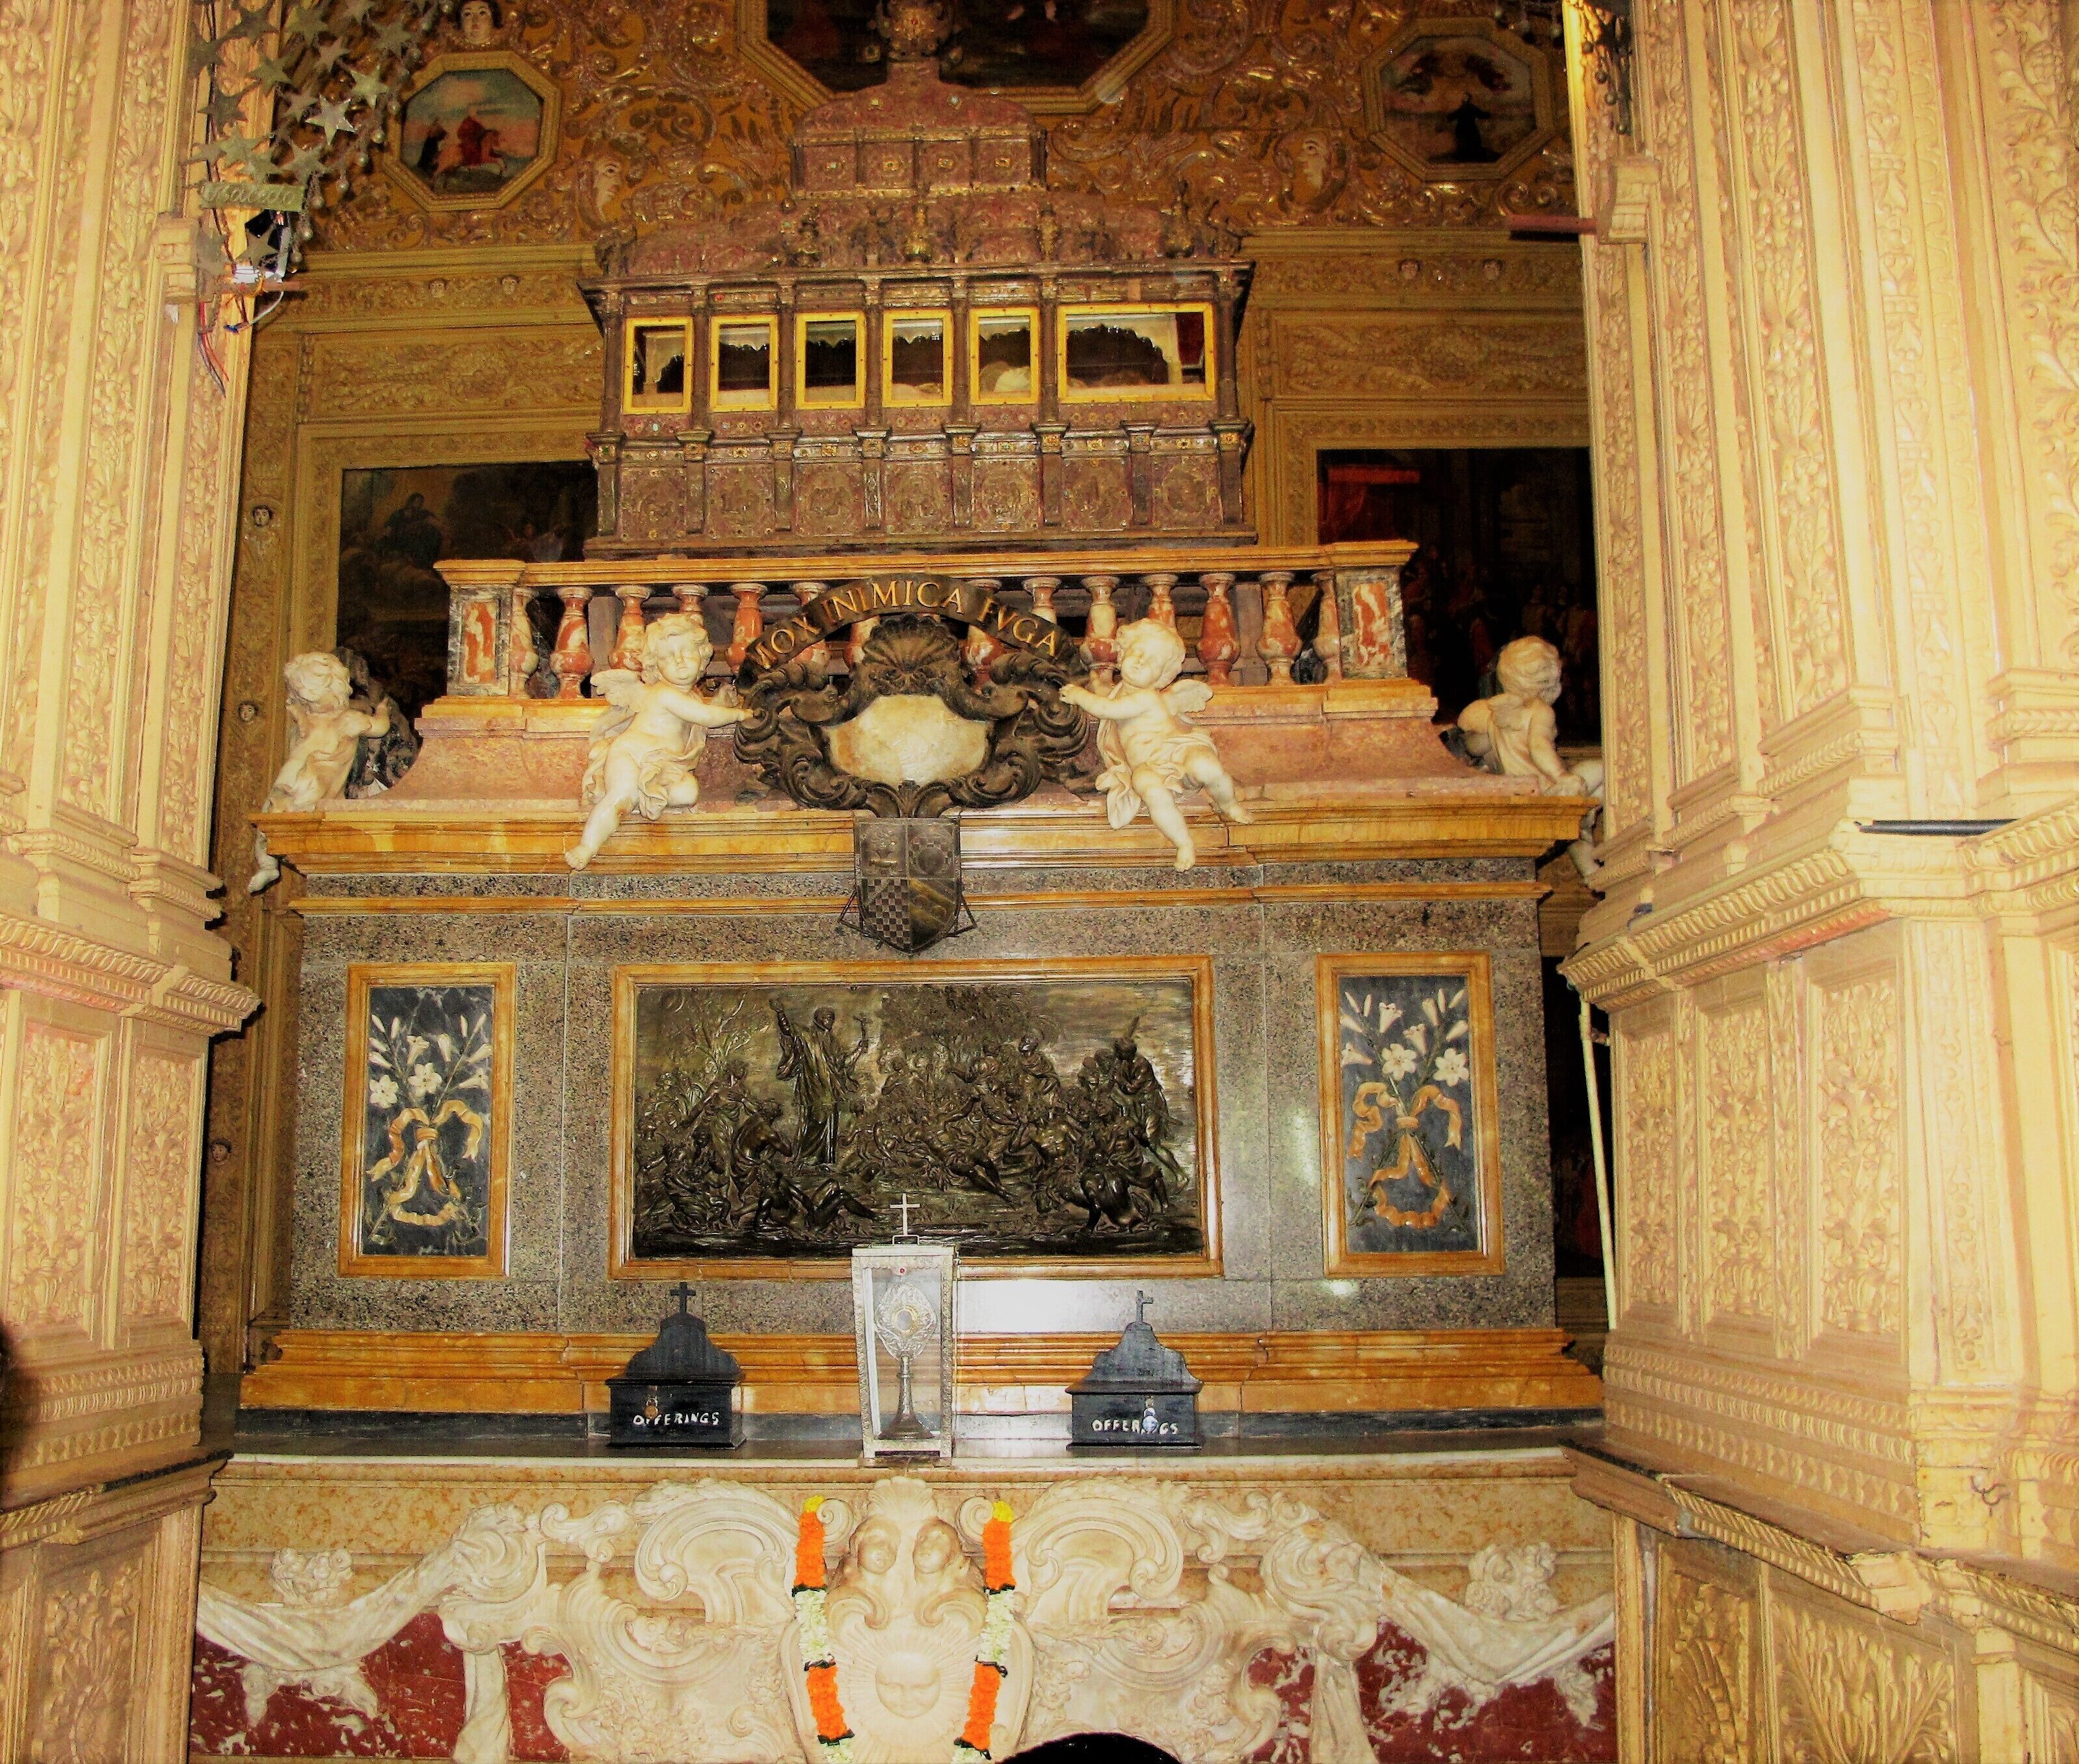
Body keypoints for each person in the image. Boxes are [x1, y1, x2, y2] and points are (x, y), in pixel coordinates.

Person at [1062, 620, 1253, 871]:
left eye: (1152, 662)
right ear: (1122, 654)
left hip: (1177, 749)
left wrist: (1080, 695)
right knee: (1150, 789)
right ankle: (1183, 842)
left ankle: (1229, 804)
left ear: (1161, 676)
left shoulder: (1147, 696)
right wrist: (1095, 684)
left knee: (1208, 768)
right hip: (1148, 765)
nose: (1141, 661)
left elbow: (1107, 709)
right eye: (1137, 652)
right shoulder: (1120, 691)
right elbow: (1106, 694)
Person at [564, 614, 747, 869]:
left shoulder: (691, 698)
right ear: (656, 667)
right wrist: (738, 714)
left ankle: (643, 795)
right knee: (619, 797)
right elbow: (706, 717)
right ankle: (588, 846)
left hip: (663, 765)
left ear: (703, 656)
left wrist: (720, 702)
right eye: (668, 657)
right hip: (631, 754)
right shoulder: (664, 694)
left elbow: (701, 719)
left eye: (686, 652)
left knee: (688, 792)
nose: (680, 661)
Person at [775, 1003, 867, 1167]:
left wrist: (859, 1050)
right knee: (817, 1121)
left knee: (831, 1123)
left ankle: (825, 1160)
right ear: (817, 1020)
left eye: (831, 1018)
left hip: (830, 1089)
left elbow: (843, 1064)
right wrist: (781, 1013)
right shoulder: (807, 1035)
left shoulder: (833, 1043)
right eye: (825, 1018)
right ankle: (805, 1157)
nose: (828, 1021)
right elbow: (788, 1030)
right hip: (814, 1088)